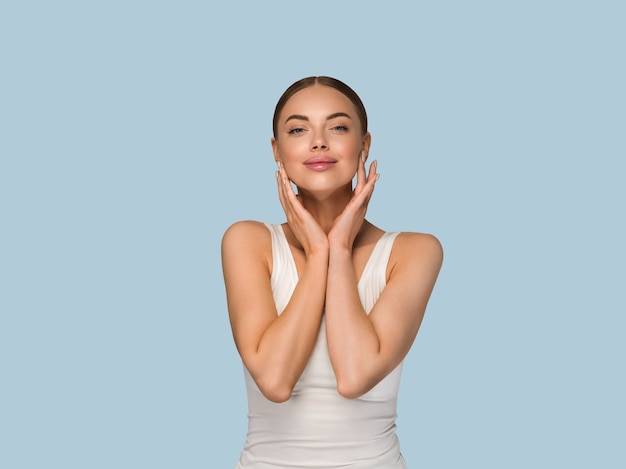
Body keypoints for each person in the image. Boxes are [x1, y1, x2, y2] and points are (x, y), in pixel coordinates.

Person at [221, 76, 443, 468]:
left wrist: (337, 248)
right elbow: (274, 381)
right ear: (277, 150)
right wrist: (319, 251)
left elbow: (354, 377)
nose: (318, 141)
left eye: (338, 127)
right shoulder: (248, 241)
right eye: (298, 129)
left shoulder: (414, 251)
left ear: (365, 144)